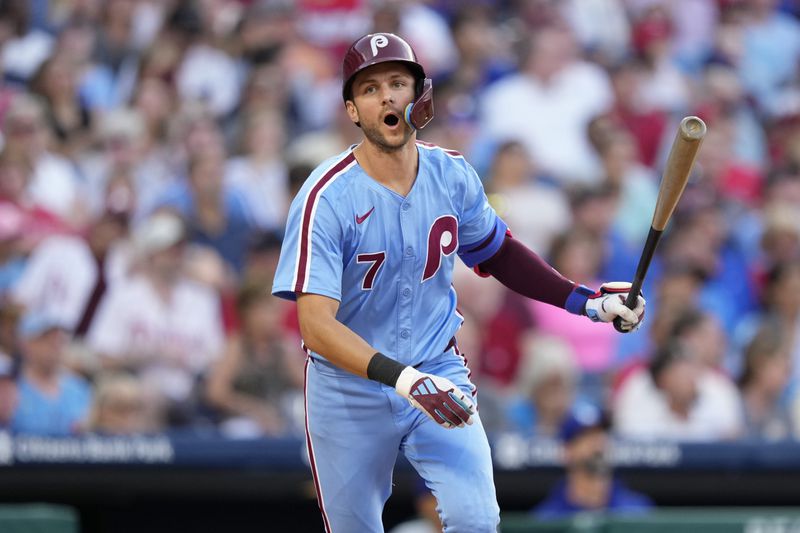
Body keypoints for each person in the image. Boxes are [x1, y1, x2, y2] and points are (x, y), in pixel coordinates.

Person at [271, 33, 645, 532]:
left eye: (398, 83)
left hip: (436, 364)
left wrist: (586, 302)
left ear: (419, 97)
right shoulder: (325, 196)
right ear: (352, 111)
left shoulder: (451, 173)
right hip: (348, 386)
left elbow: (499, 253)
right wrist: (403, 378)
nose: (386, 97)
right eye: (369, 88)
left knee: (475, 519)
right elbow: (315, 326)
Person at [533, 405, 653, 519]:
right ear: (566, 452)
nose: (597, 444)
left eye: (601, 434)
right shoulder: (548, 518)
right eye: (586, 437)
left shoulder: (637, 511)